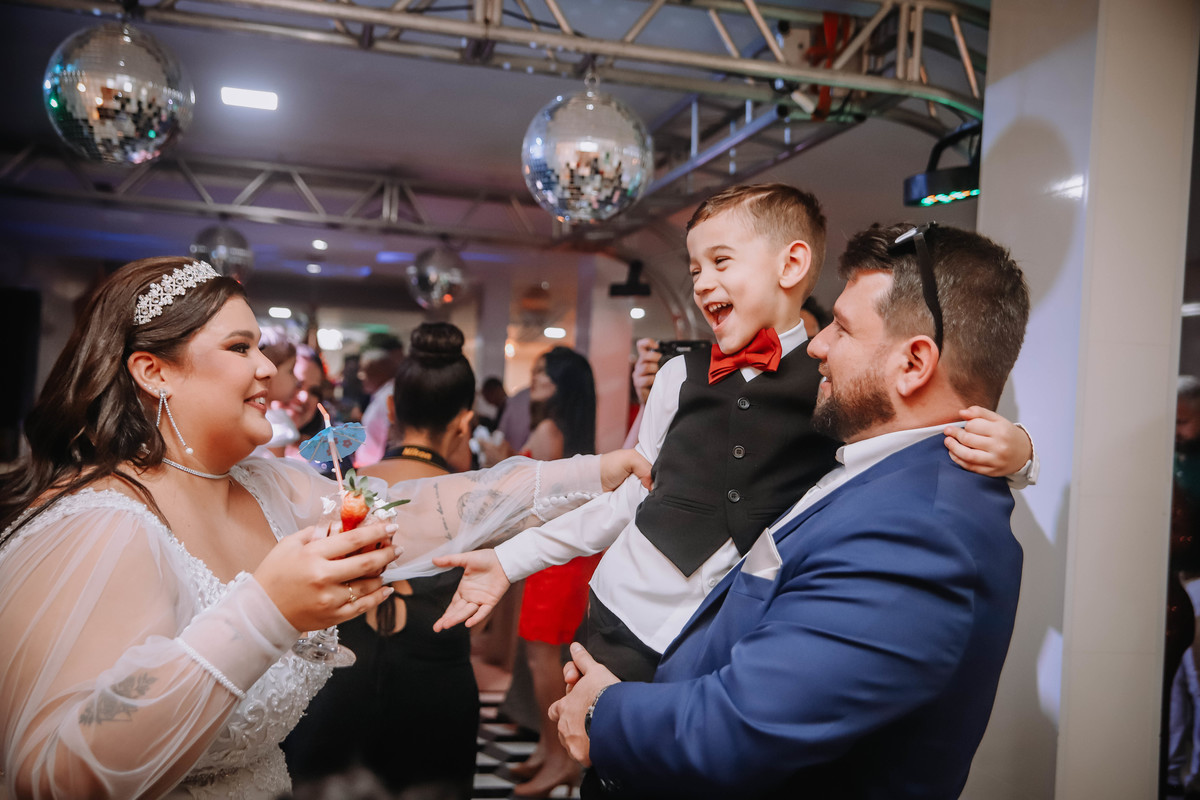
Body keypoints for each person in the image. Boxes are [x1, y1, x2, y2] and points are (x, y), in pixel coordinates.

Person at [0, 256, 652, 799]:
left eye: (260, 346)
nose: (267, 367)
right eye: (240, 347)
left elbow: (423, 510)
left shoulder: (268, 487)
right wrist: (266, 613)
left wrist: (590, 474)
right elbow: (55, 776)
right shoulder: (103, 526)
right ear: (154, 372)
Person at [434, 184, 1035, 686]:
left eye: (721, 262)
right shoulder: (678, 376)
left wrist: (1021, 455)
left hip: (720, 639)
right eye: (695, 269)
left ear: (791, 266)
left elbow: (915, 439)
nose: (701, 283)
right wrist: (510, 559)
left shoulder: (842, 388)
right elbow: (631, 496)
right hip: (620, 609)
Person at [549, 221, 1031, 799]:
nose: (818, 345)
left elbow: (741, 728)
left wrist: (603, 711)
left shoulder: (918, 535)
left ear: (913, 364)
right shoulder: (880, 475)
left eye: (842, 328)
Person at [285, 322, 479, 800]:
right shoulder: (477, 500)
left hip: (338, 685)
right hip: (438, 689)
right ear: (465, 422)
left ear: (390, 409)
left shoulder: (337, 489)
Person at [251, 326, 301, 458]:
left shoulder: (273, 416)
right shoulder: (274, 423)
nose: (296, 380)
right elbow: (275, 467)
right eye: (290, 371)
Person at [354, 345, 404, 469]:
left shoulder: (389, 396)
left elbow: (395, 436)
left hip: (378, 472)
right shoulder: (383, 394)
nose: (360, 375)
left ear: (381, 371)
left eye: (364, 370)